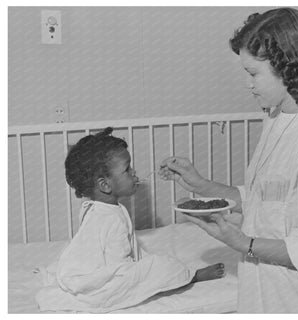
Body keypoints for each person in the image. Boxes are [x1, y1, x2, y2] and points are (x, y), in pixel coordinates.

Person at [159, 7, 298, 313]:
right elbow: (267, 199)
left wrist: (241, 242)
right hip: (269, 287)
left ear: (288, 68)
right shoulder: (278, 117)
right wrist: (200, 185)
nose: (249, 84)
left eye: (253, 73)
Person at [35, 127, 224, 313]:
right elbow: (118, 266)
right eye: (127, 169)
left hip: (106, 271)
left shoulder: (97, 208)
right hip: (108, 283)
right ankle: (192, 276)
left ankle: (180, 275)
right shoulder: (110, 218)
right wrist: (141, 272)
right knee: (162, 266)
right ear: (105, 184)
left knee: (151, 264)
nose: (134, 173)